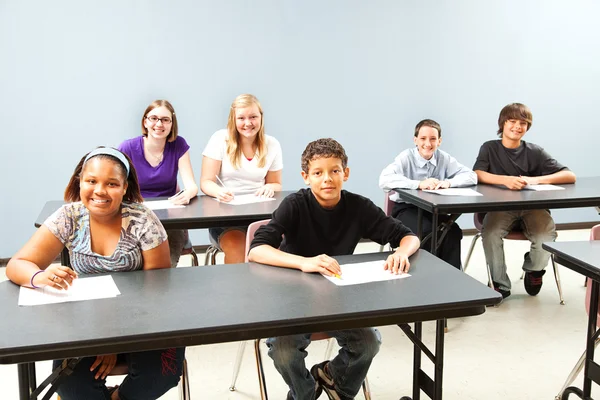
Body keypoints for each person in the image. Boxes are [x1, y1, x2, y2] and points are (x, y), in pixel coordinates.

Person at [6, 147, 185, 400]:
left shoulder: (142, 219)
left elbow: (156, 288)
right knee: (72, 387)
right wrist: (39, 276)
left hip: (143, 320)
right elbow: (18, 264)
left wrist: (112, 341)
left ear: (125, 187)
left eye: (112, 183)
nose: (100, 191)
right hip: (85, 324)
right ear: (80, 182)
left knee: (160, 375)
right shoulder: (69, 216)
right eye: (91, 181)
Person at [248, 138, 420, 400]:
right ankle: (304, 394)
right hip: (293, 296)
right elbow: (256, 250)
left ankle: (334, 381)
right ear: (306, 177)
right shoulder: (295, 205)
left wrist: (401, 251)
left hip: (338, 296)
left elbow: (409, 237)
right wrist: (305, 262)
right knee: (283, 350)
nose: (327, 179)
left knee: (368, 342)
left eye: (335, 171)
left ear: (346, 174)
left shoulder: (358, 206)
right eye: (318, 173)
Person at [473, 103, 577, 299]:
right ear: (502, 124)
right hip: (500, 208)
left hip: (533, 208)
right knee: (491, 233)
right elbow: (478, 174)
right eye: (512, 121)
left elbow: (569, 175)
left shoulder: (535, 151)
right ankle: (499, 284)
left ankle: (534, 270)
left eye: (523, 123)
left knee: (545, 237)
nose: (517, 126)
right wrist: (505, 180)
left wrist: (536, 180)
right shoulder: (489, 148)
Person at [379, 119, 477, 270]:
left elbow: (471, 176)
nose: (428, 144)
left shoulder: (443, 158)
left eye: (433, 139)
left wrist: (448, 183)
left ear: (439, 141)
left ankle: (451, 277)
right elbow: (384, 179)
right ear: (415, 140)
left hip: (432, 211)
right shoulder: (406, 157)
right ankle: (425, 276)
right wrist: (418, 184)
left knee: (453, 231)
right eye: (423, 139)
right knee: (428, 232)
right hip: (405, 210)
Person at [200, 93, 283, 264]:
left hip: (260, 216)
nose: (248, 123)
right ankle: (238, 291)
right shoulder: (220, 139)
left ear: (261, 117)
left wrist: (270, 188)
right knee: (238, 250)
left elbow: (276, 183)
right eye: (241, 118)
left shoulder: (272, 144)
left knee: (278, 249)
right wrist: (219, 191)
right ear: (233, 119)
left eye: (253, 117)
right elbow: (206, 182)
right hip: (226, 219)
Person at [119, 99, 198, 268]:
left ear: (171, 124)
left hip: (169, 218)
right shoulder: (128, 148)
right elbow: (118, 186)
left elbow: (191, 186)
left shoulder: (178, 145)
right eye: (154, 118)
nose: (159, 124)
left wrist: (187, 194)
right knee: (133, 264)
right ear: (145, 121)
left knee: (161, 268)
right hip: (135, 215)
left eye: (165, 120)